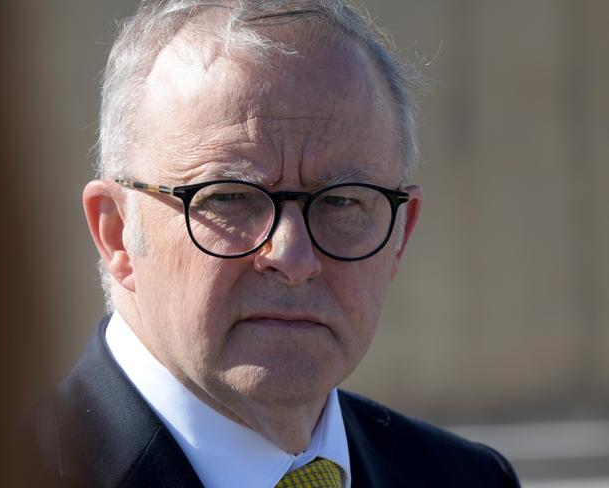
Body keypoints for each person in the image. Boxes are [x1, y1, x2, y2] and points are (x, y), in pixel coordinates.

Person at [32, 1, 520, 486]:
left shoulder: (469, 478)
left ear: (399, 235)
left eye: (343, 202)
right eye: (229, 198)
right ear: (116, 232)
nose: (293, 258)